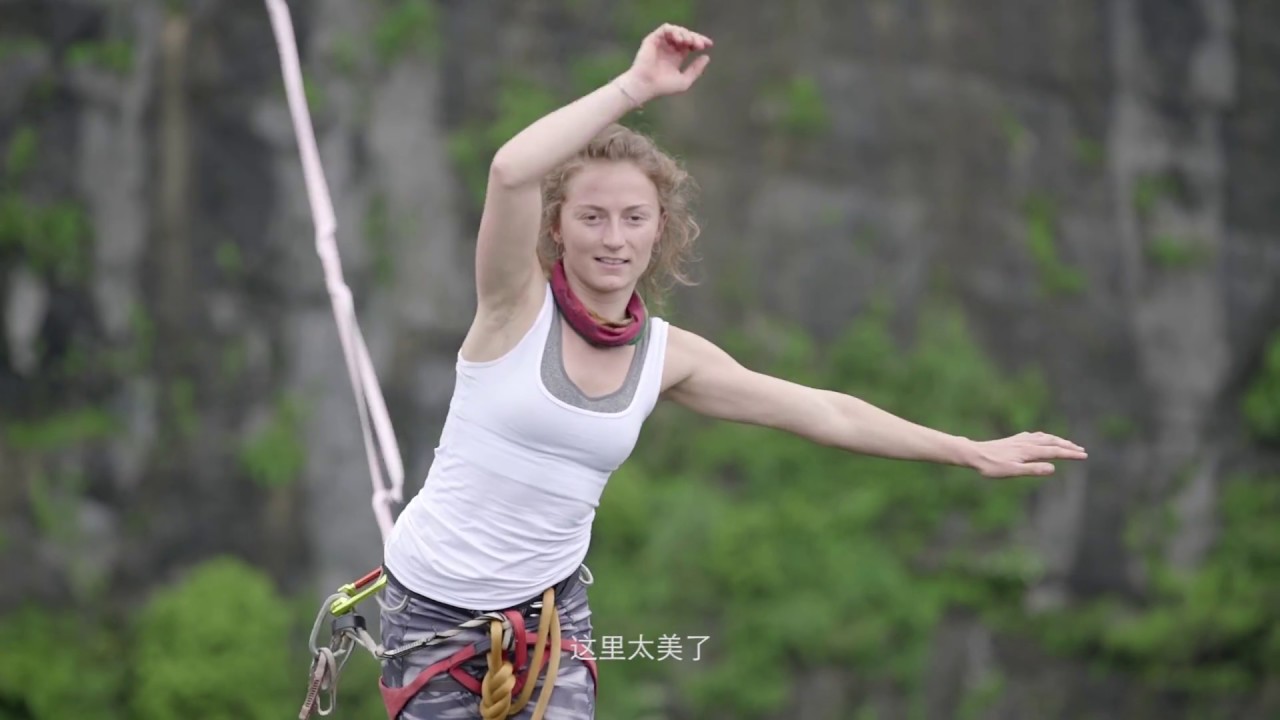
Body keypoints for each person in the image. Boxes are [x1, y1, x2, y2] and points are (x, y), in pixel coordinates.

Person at [375, 23, 1088, 720]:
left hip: (550, 612)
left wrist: (965, 449)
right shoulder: (513, 307)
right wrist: (635, 86)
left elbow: (822, 411)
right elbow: (510, 170)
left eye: (633, 217)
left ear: (660, 229)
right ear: (557, 226)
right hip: (432, 607)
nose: (614, 238)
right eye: (592, 217)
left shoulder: (667, 358)